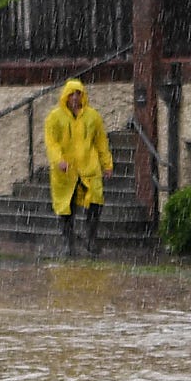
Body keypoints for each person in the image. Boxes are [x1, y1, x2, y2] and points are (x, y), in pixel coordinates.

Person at [43, 77, 113, 255]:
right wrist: (59, 160)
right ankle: (68, 241)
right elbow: (52, 143)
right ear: (65, 96)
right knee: (66, 207)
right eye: (71, 94)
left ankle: (90, 239)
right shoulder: (55, 118)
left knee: (95, 203)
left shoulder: (93, 117)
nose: (75, 98)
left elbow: (101, 142)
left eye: (78, 94)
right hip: (66, 171)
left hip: (89, 168)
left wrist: (107, 164)